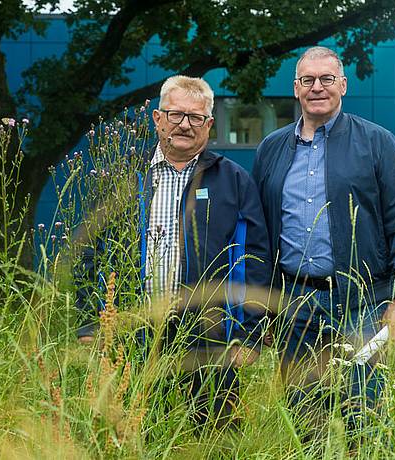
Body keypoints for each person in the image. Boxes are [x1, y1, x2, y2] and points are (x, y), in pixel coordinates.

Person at [75, 75, 272, 427]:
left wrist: (249, 334)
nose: (184, 125)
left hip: (212, 335)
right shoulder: (122, 176)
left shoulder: (234, 180)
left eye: (195, 117)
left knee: (216, 436)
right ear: (157, 118)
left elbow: (254, 258)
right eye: (176, 114)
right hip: (132, 332)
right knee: (136, 433)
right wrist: (91, 322)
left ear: (209, 124)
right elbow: (92, 252)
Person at [251, 46, 395, 434]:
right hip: (294, 306)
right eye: (307, 80)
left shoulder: (377, 142)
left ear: (342, 84)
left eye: (326, 79)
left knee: (365, 419)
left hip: (361, 303)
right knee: (306, 424)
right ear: (296, 89)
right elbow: (260, 231)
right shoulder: (271, 149)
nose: (317, 87)